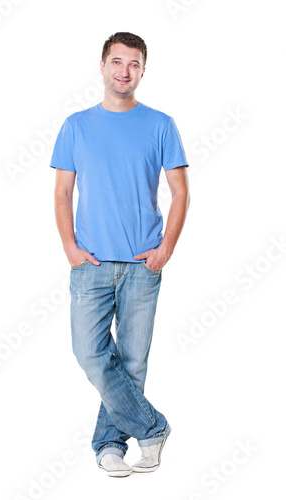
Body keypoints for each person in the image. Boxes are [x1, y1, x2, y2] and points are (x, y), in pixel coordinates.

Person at [49, 32, 190, 477]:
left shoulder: (161, 124)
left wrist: (166, 248)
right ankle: (152, 427)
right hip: (89, 263)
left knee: (131, 361)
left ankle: (110, 445)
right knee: (90, 354)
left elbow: (180, 190)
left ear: (143, 71)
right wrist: (70, 248)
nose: (124, 71)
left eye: (133, 64)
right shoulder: (76, 125)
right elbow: (62, 192)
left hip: (142, 265)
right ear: (103, 65)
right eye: (116, 61)